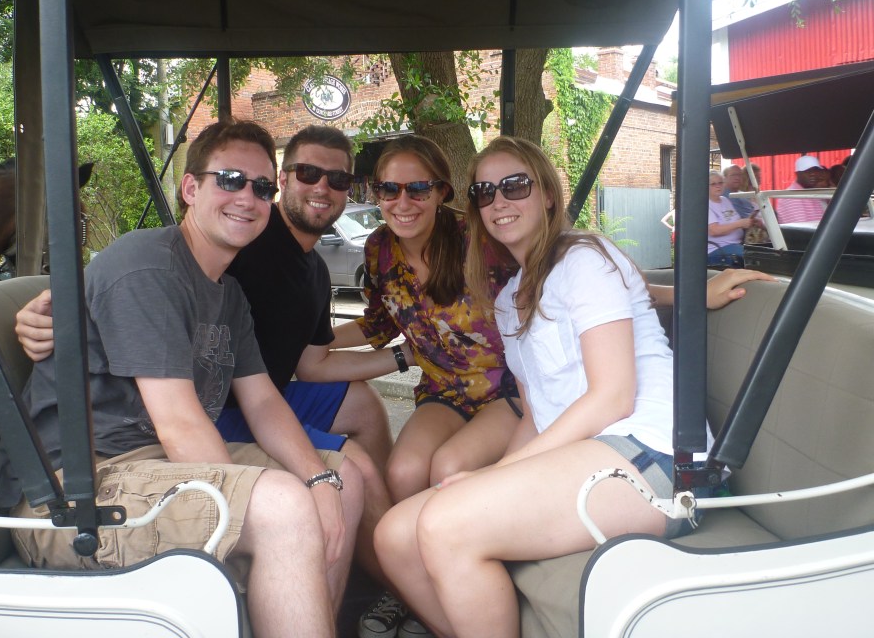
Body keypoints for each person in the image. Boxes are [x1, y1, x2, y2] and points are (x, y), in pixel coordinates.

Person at [0, 120, 364, 638]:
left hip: (157, 469)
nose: (248, 197)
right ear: (191, 188)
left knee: (345, 481)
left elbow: (262, 401)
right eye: (230, 179)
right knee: (282, 506)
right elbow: (179, 424)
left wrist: (320, 482)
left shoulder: (228, 294)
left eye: (262, 187)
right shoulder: (147, 265)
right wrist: (257, 502)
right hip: (73, 492)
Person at [372, 136, 714, 638]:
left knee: (446, 523)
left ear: (548, 194)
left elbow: (613, 396)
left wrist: (493, 476)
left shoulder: (586, 259)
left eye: (515, 186)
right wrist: (490, 476)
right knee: (393, 536)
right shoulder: (509, 300)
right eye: (485, 192)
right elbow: (535, 417)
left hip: (654, 455)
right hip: (581, 459)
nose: (499, 201)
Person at [319, 135, 520, 638]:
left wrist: (663, 292)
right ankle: (410, 587)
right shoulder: (379, 249)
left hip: (507, 389)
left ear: (441, 191)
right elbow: (379, 324)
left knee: (448, 468)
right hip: (443, 390)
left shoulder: (477, 237)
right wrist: (311, 339)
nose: (402, 202)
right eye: (389, 189)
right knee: (404, 471)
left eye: (417, 189)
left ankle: (460, 584)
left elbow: (548, 278)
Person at [708, 170, 757, 267]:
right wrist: (740, 224)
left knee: (764, 251)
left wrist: (750, 221)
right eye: (713, 184)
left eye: (720, 183)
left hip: (736, 244)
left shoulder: (725, 200)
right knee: (754, 258)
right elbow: (714, 230)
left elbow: (735, 221)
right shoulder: (706, 204)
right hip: (718, 248)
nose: (718, 186)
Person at [776, 155, 830, 223]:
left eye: (816, 170)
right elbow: (799, 227)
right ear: (797, 174)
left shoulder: (813, 193)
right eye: (807, 171)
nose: (813, 174)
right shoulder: (790, 196)